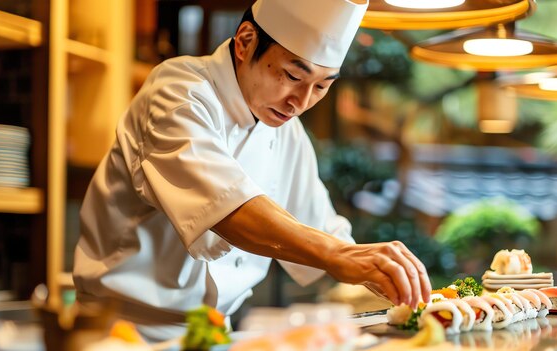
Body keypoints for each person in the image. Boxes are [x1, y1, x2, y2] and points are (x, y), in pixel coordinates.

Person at [73, 0, 431, 341]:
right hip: (123, 331)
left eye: (321, 86)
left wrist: (394, 280)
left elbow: (320, 229)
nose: (301, 103)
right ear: (245, 42)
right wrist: (338, 256)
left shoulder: (283, 127)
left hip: (215, 331)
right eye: (293, 75)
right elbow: (229, 209)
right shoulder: (178, 92)